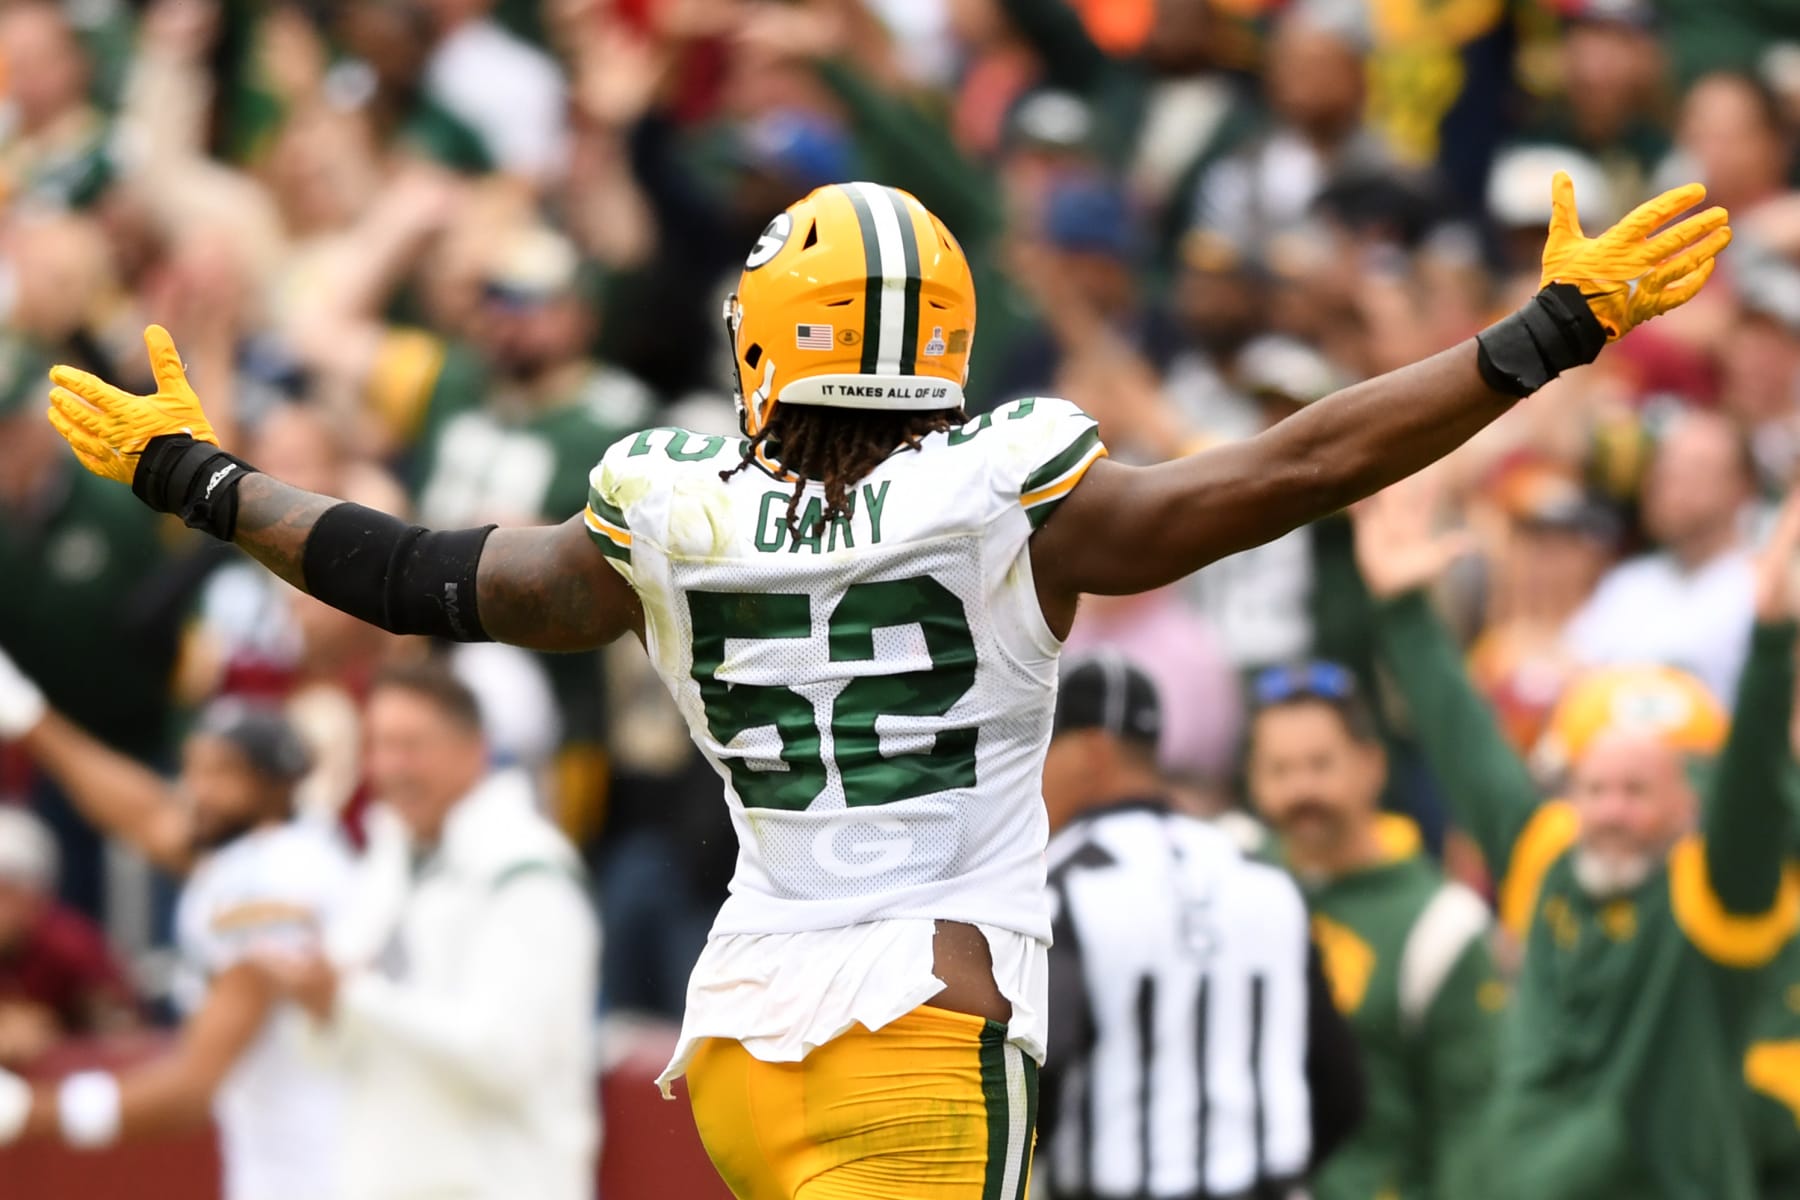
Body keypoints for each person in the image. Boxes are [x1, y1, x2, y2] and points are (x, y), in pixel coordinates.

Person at [39, 170, 1728, 1197]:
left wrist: (197, 479)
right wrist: (1539, 339)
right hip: (923, 1029)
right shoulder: (1013, 494)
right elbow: (1285, 473)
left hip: (744, 1043)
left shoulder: (667, 517)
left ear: (767, 336)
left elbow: (413, 576)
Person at [1353, 474, 1800, 1200]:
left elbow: (1754, 795)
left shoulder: (1720, 896)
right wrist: (1403, 608)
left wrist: (1773, 645)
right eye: (1597, 786)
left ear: (1693, 803)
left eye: (1641, 789)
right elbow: (1469, 750)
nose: (1615, 812)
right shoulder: (1551, 852)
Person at [0, 656, 352, 1200]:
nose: (196, 792)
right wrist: (25, 714)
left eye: (220, 774)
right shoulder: (264, 854)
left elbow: (193, 1087)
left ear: (277, 785)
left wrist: (31, 1113)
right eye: (193, 770)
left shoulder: (278, 885)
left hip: (319, 1177)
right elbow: (144, 815)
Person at [254, 661, 600, 1200]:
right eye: (378, 746)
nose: (390, 767)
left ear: (475, 750)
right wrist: (317, 1000)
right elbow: (326, 1051)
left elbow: (507, 1056)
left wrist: (348, 994)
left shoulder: (528, 871)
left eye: (411, 745)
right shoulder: (388, 862)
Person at [1038, 655, 1364, 1199]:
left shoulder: (1061, 886)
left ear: (1092, 752)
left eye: (1043, 747)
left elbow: (1037, 1078)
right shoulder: (1262, 875)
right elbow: (1341, 1091)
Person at [1245, 660, 1503, 1200]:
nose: (1301, 790)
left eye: (1320, 765)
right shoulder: (1233, 888)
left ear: (1372, 766)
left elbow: (1473, 1127)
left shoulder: (1442, 925)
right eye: (1280, 770)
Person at [1562, 409, 1757, 701]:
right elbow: (1570, 672)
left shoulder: (1766, 590)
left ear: (1742, 489)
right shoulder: (1628, 582)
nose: (1670, 482)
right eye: (1665, 467)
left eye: (1696, 469)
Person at [0, 805, 137, 1069]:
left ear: (35, 896)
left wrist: (55, 1038)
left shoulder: (72, 944)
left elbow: (125, 1035)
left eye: (6, 892)